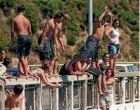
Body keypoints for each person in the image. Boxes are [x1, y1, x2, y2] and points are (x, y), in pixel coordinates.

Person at [11, 4, 32, 78]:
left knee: (21, 57)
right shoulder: (27, 20)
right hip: (28, 38)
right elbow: (30, 32)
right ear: (24, 11)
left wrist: (13, 39)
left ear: (18, 10)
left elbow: (12, 31)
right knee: (26, 57)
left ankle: (26, 74)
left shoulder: (15, 19)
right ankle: (27, 72)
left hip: (21, 37)